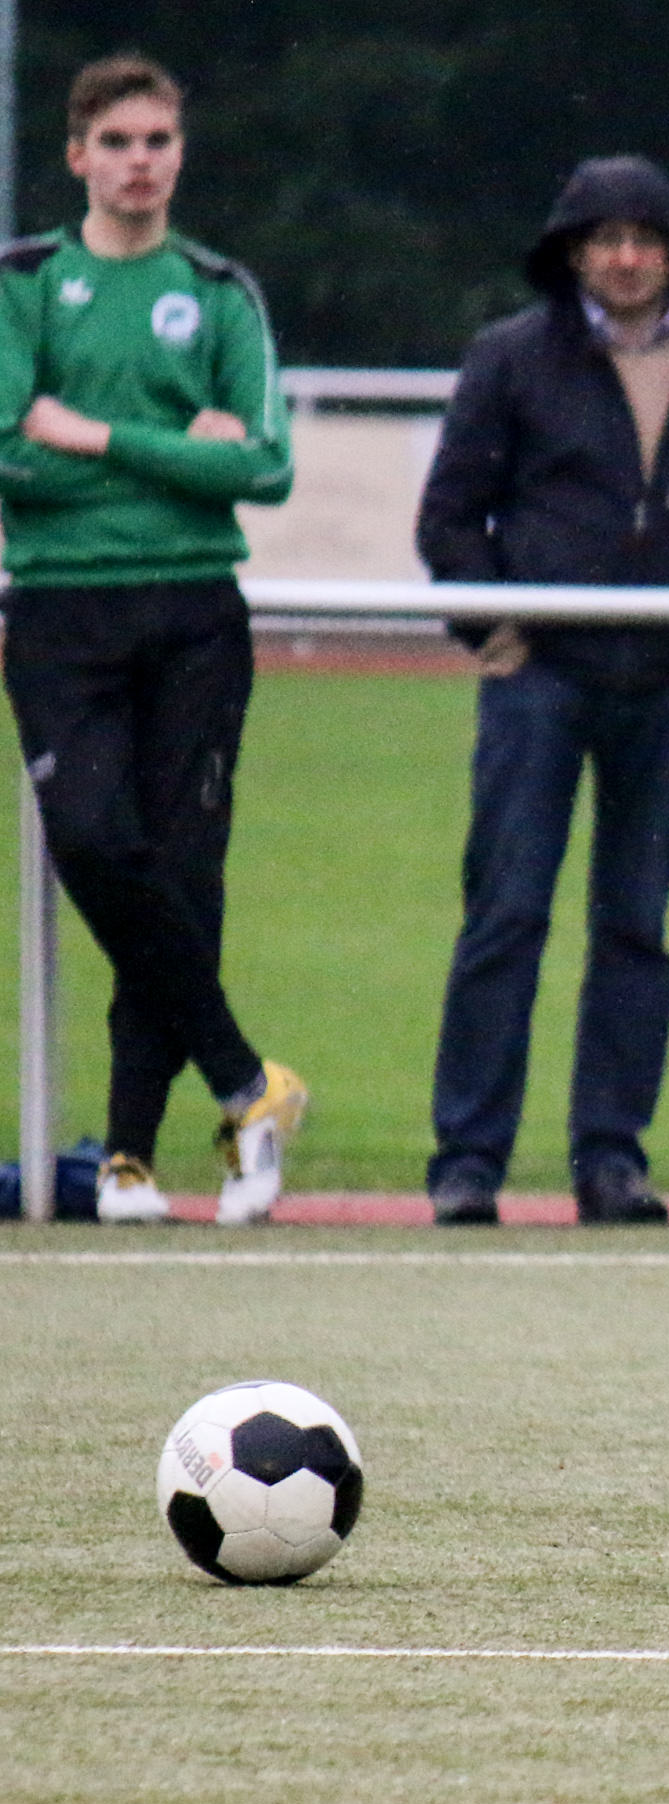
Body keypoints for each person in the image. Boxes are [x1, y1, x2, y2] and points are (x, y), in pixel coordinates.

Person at [416, 156, 669, 1226]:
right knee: (505, 914)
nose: (625, 258)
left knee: (636, 926)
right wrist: (494, 629)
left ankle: (611, 1158)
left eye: (644, 238)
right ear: (571, 252)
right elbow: (449, 516)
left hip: (666, 681)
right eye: (604, 238)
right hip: (543, 679)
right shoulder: (511, 355)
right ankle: (468, 1161)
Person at [0, 54, 306, 1225]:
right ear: (77, 155)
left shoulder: (220, 291)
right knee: (93, 838)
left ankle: (130, 1155)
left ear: (180, 154)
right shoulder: (25, 281)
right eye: (118, 142)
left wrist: (95, 438)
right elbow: (7, 452)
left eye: (158, 141)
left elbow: (264, 468)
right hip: (61, 609)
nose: (140, 162)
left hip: (193, 611)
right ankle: (247, 1081)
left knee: (182, 872)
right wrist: (184, 454)